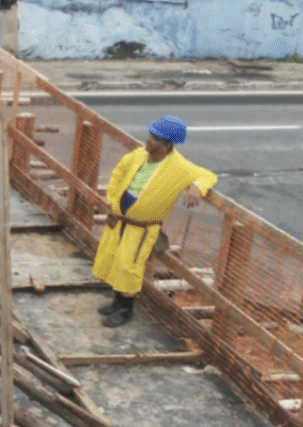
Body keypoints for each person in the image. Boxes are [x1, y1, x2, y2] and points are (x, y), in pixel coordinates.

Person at [92, 115, 217, 327]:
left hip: (141, 228)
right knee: (114, 257)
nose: (147, 140)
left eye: (153, 138)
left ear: (167, 145)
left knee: (129, 266)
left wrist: (197, 187)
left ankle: (125, 308)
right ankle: (116, 301)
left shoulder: (179, 167)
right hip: (120, 219)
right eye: (149, 135)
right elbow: (120, 171)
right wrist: (112, 198)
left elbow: (207, 176)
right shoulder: (139, 155)